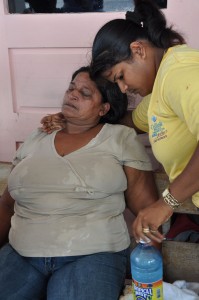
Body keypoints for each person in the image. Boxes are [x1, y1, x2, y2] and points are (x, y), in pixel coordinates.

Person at [0, 66, 158, 300]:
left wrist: (152, 275)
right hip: (20, 251)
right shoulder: (39, 136)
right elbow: (6, 205)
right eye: (71, 88)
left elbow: (147, 212)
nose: (72, 95)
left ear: (104, 108)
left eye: (85, 93)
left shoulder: (119, 138)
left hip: (92, 255)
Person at [89, 0, 199, 243]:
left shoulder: (178, 73)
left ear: (138, 49)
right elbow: (132, 122)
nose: (124, 87)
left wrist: (165, 204)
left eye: (120, 76)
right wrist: (75, 121)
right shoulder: (158, 91)